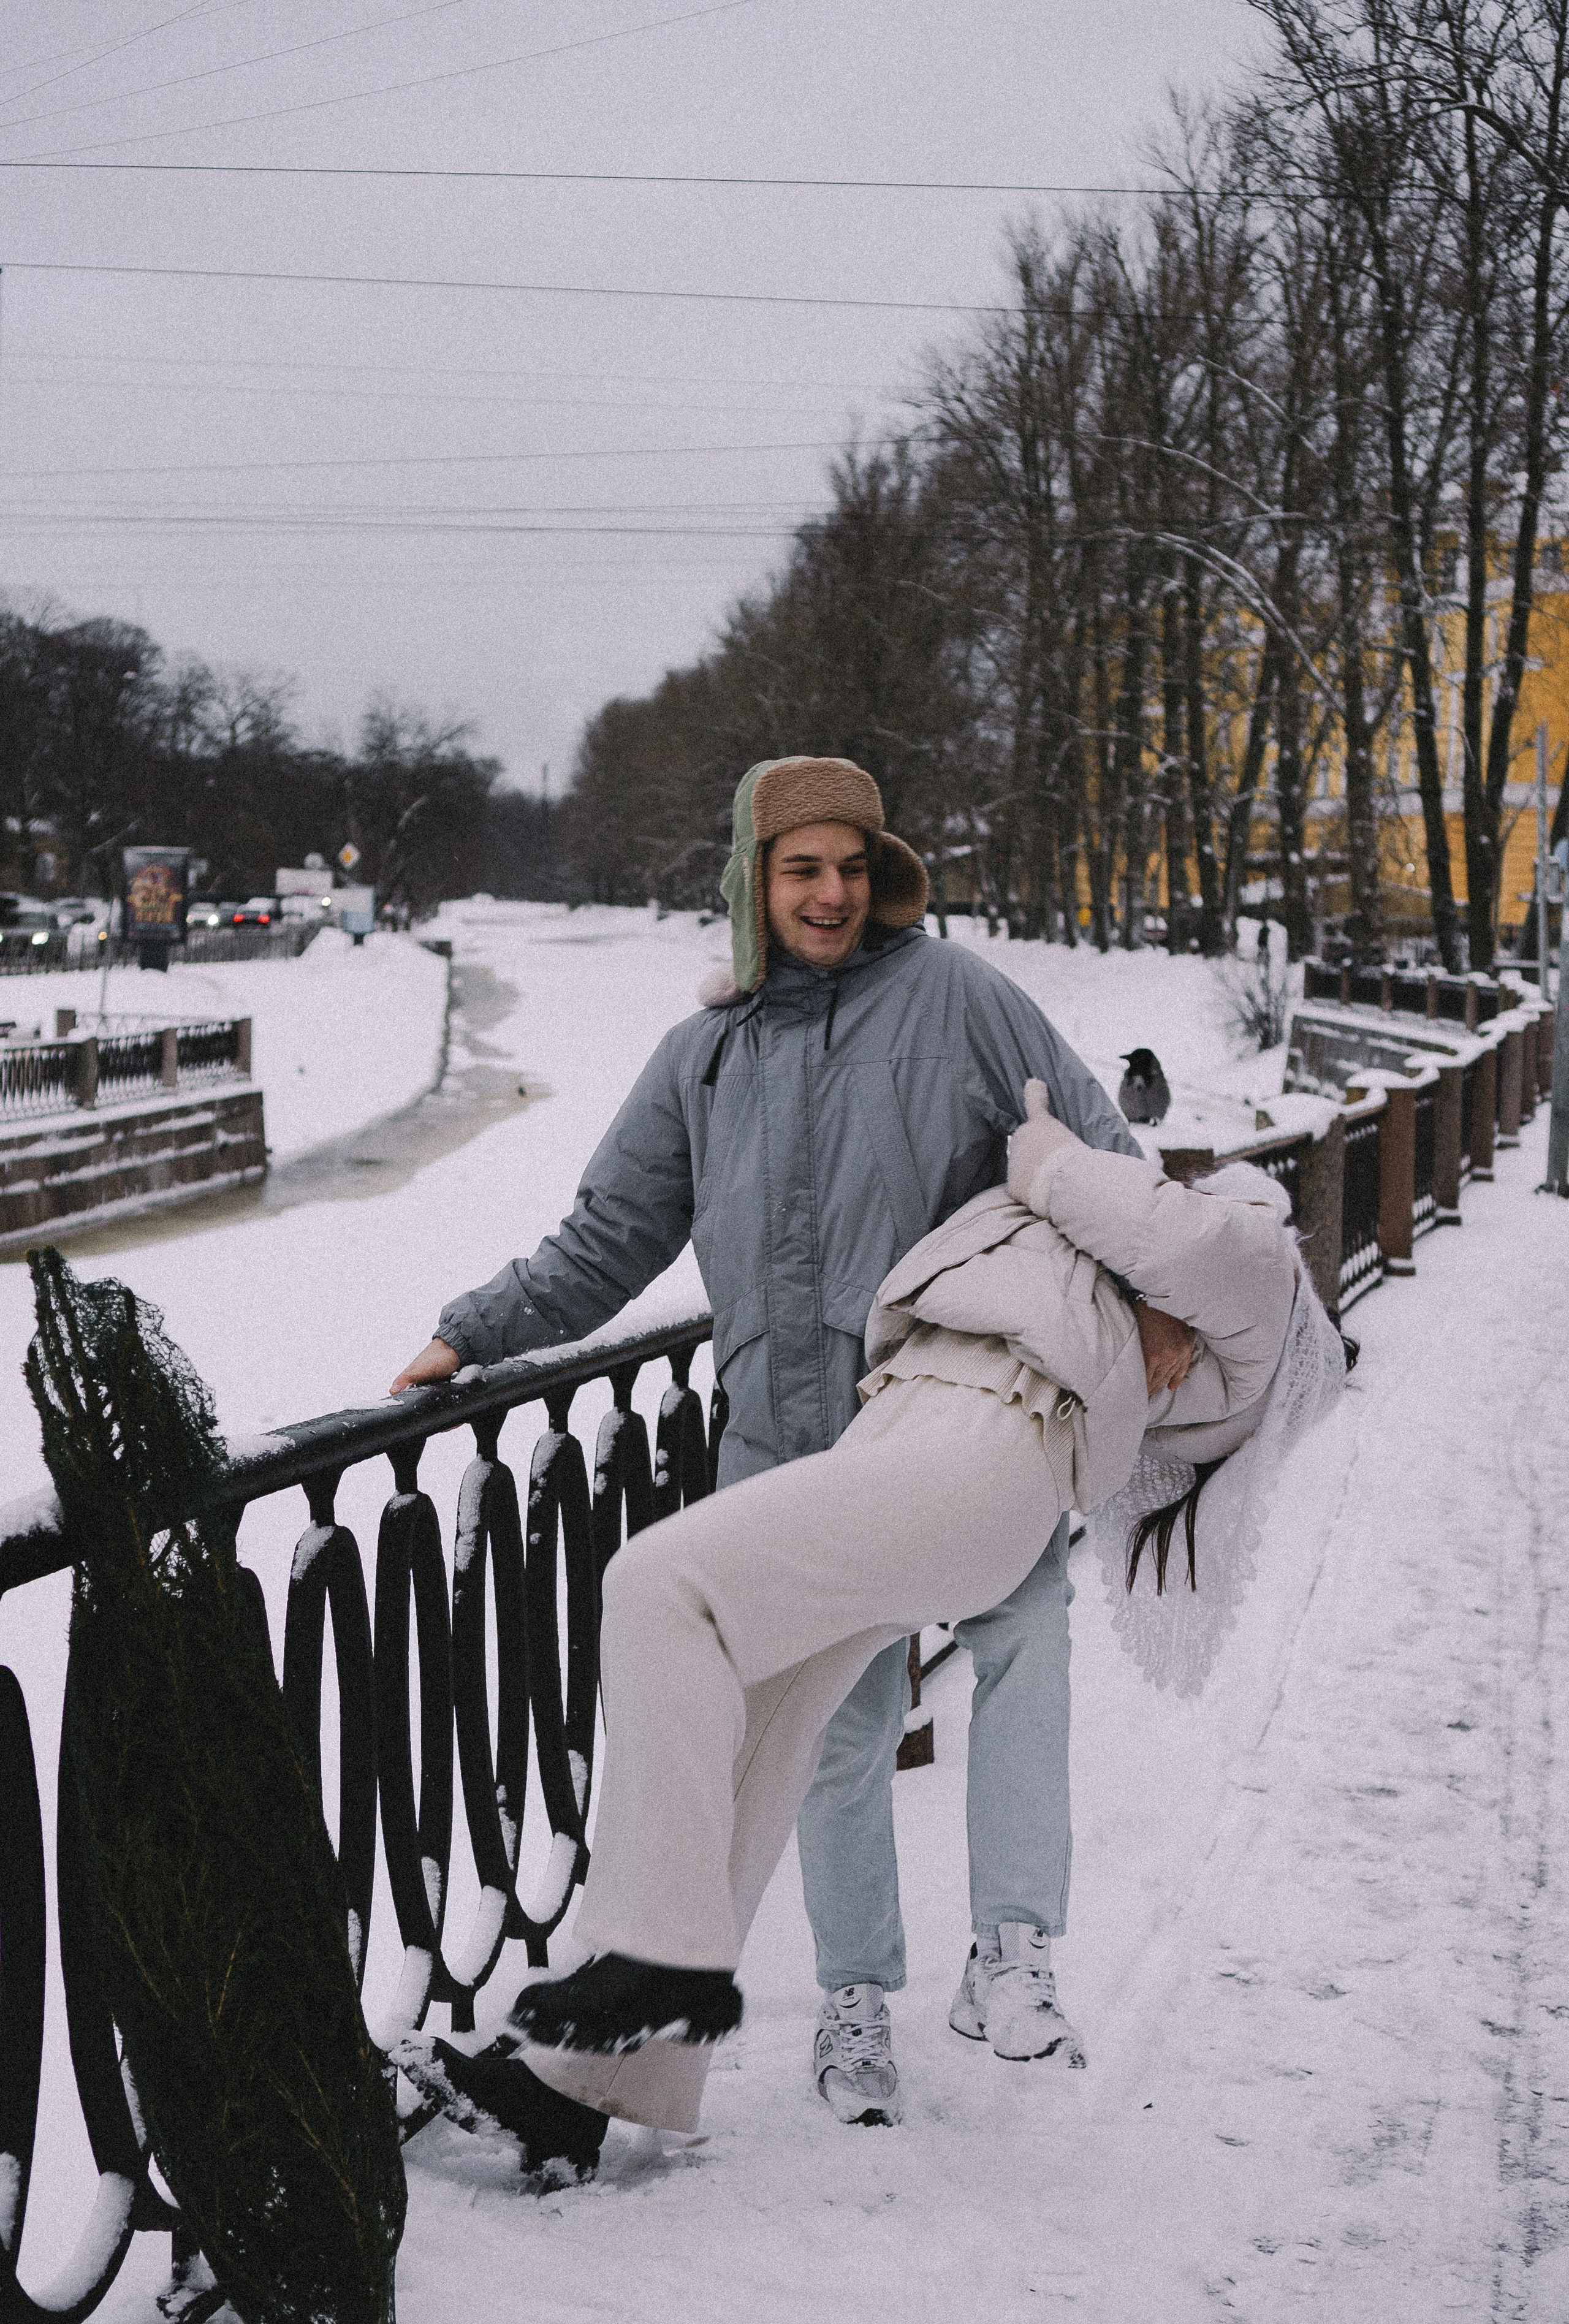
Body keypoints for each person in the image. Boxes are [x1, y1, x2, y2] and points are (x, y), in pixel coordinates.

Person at [393, 756, 1159, 2138]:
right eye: (800, 869)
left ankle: (1008, 1953)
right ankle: (803, 2015)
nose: (829, 894)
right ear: (751, 881)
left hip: (942, 1436)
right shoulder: (705, 1053)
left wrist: (1137, 1339)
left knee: (1016, 1650)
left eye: (851, 867)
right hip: (777, 1445)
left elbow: (1105, 1168)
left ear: (882, 877)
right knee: (816, 1745)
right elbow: (611, 1236)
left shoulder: (959, 1000)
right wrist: (473, 1332)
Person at [398, 1089, 1347, 2178]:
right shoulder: (1137, 1282)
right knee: (759, 1719)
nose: (1184, 1192)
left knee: (660, 1585)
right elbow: (1117, 1226)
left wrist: (1045, 1160)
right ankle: (577, 2093)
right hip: (910, 1427)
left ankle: (664, 1953)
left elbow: (1113, 1199)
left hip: (989, 1438)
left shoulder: (1254, 1263)